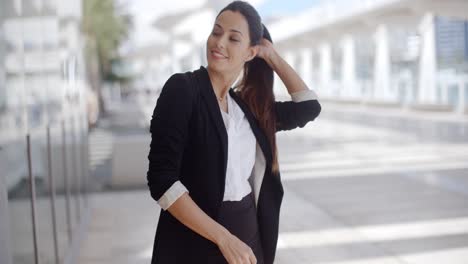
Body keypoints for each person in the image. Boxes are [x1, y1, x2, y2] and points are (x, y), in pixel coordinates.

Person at [146, 1, 321, 263]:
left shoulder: (248, 108)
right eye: (216, 32)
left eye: (233, 38)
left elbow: (308, 107)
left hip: (249, 235)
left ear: (250, 53)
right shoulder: (183, 89)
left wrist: (271, 56)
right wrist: (223, 238)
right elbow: (162, 181)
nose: (219, 43)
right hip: (196, 237)